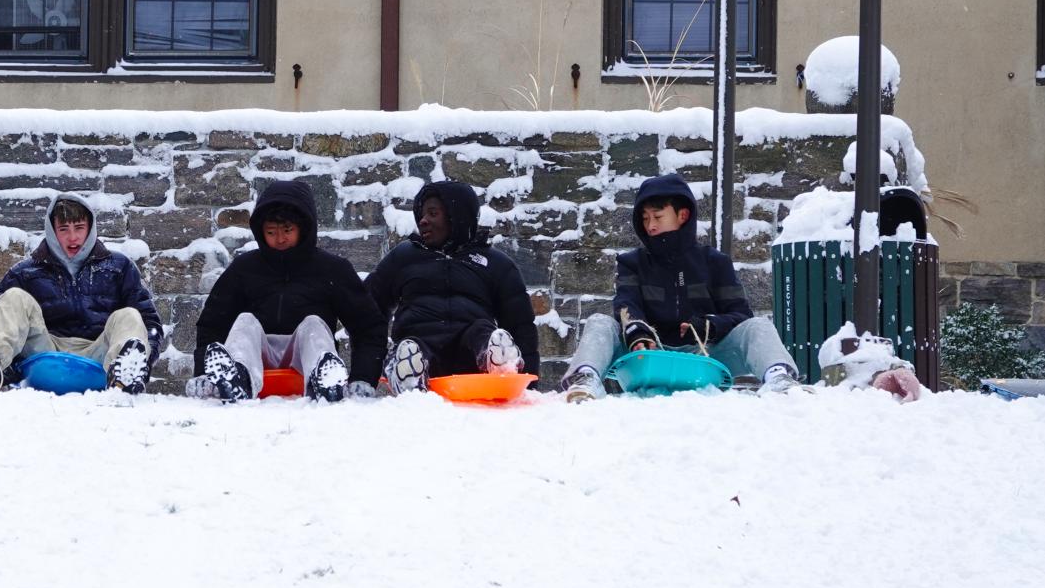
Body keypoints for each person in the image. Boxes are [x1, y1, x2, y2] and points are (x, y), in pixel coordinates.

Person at [561, 173, 801, 402]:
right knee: (599, 322)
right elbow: (627, 303)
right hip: (647, 354)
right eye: (645, 219)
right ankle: (586, 379)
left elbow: (740, 315)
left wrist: (711, 326)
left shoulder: (715, 262)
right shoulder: (632, 263)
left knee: (757, 325)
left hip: (706, 356)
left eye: (657, 216)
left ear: (682, 215)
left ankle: (779, 378)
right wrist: (636, 331)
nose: (650, 225)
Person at [0, 192, 164, 393]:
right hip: (44, 353)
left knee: (129, 315)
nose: (72, 237)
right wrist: (11, 370)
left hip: (100, 355)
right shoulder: (26, 272)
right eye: (64, 230)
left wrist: (145, 363)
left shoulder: (119, 267)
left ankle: (126, 376)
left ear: (90, 228)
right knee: (14, 297)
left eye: (79, 228)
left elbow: (149, 323)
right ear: (52, 231)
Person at [191, 178, 383, 402]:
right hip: (257, 360)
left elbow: (368, 326)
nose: (280, 239)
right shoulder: (244, 269)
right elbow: (213, 323)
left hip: (305, 359)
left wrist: (363, 377)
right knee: (244, 321)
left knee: (314, 324)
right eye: (271, 232)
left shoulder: (332, 270)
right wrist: (204, 373)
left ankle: (325, 384)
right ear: (261, 232)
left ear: (303, 228)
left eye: (287, 230)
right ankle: (237, 380)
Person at [364, 179, 538, 394]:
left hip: (472, 359)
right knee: (411, 346)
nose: (423, 221)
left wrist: (529, 390)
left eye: (432, 214)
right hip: (422, 350)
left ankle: (500, 362)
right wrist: (365, 373)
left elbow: (520, 325)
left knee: (482, 331)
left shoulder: (495, 263)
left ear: (457, 216)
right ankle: (408, 372)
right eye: (421, 216)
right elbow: (368, 312)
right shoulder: (402, 258)